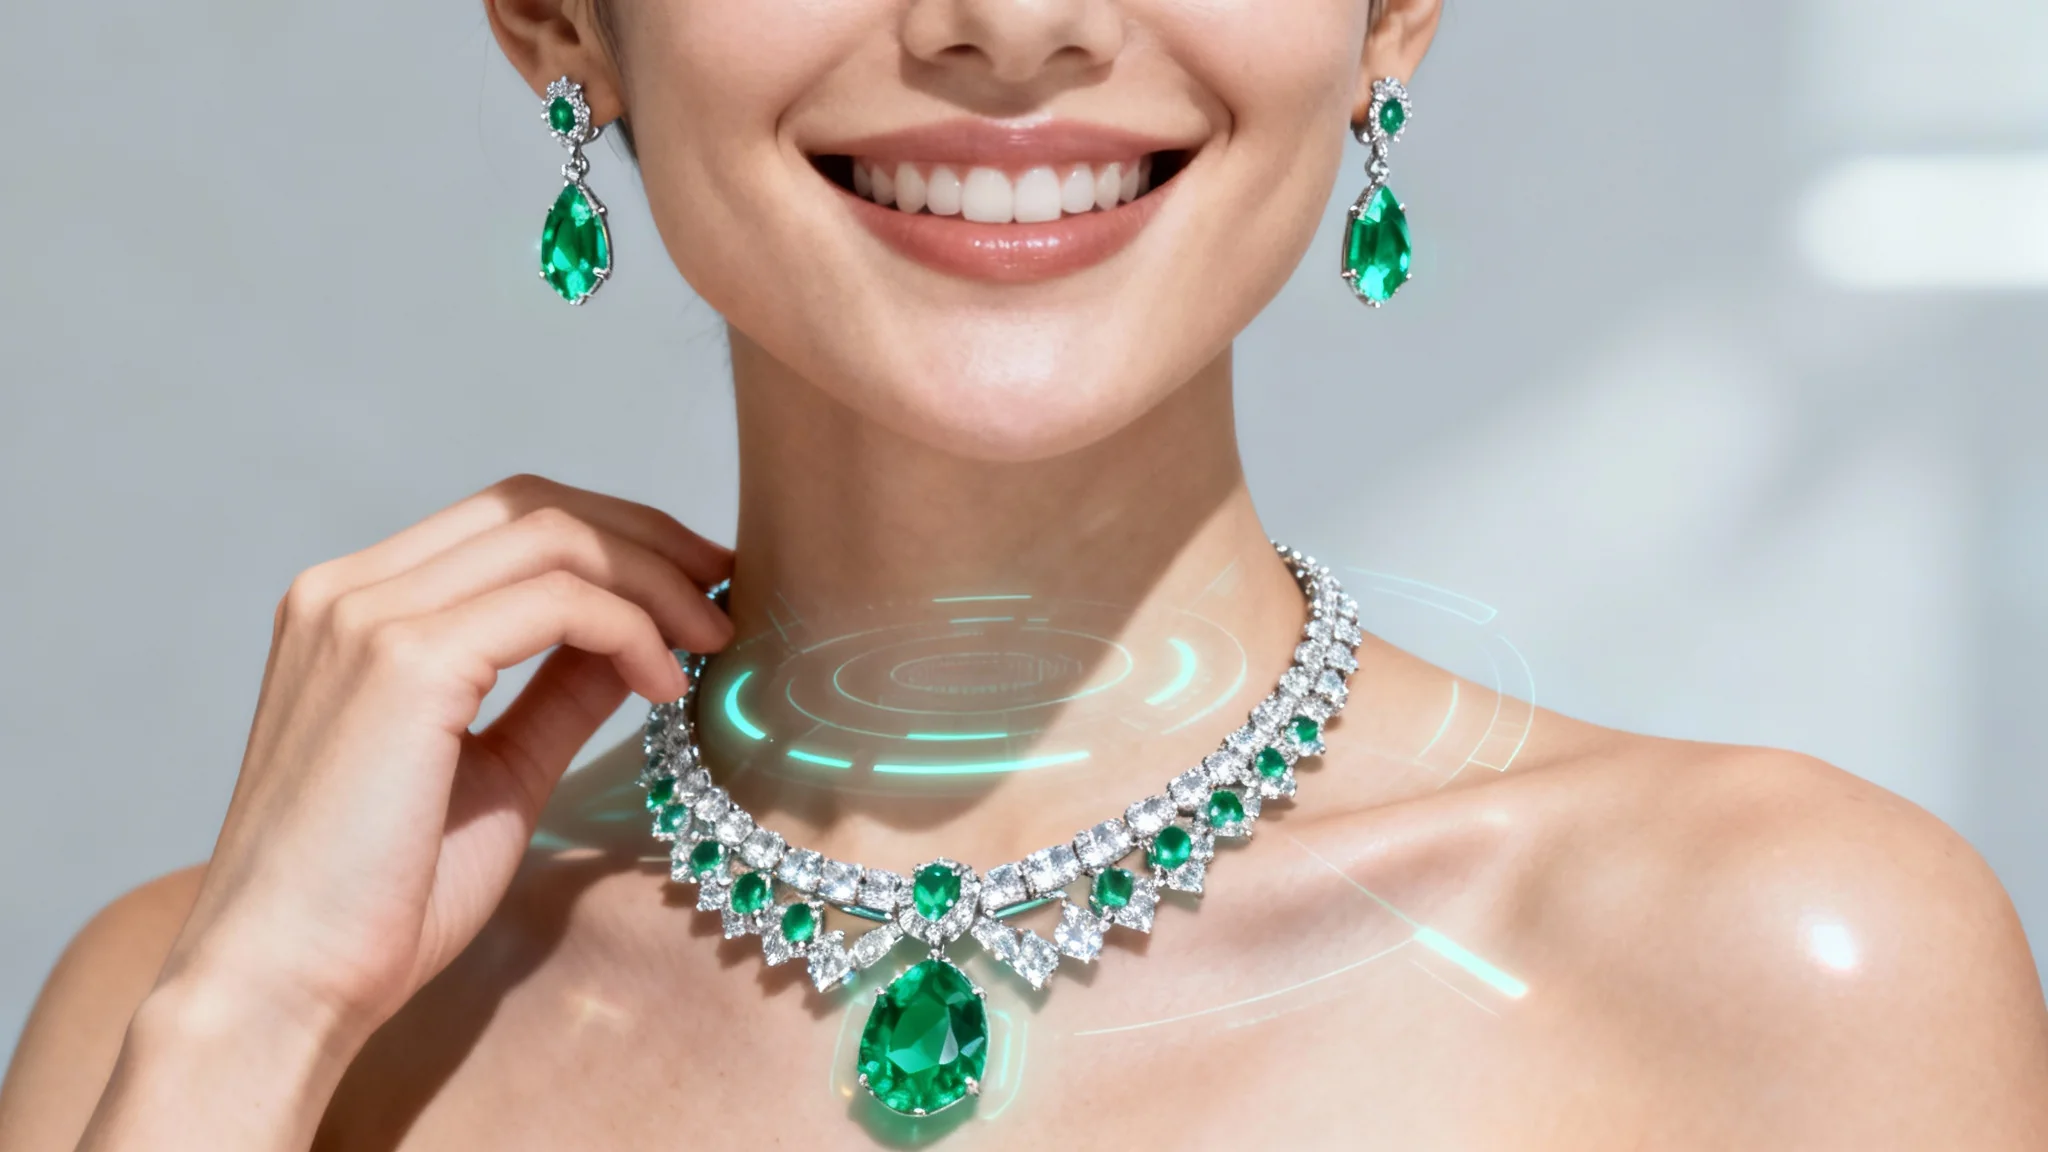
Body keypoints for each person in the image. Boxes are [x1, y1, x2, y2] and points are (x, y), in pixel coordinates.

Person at [4, 0, 2046, 1147]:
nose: (1011, 28)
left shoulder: (1773, 963)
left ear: (1391, 13)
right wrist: (243, 1030)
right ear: (559, 22)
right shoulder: (198, 1020)